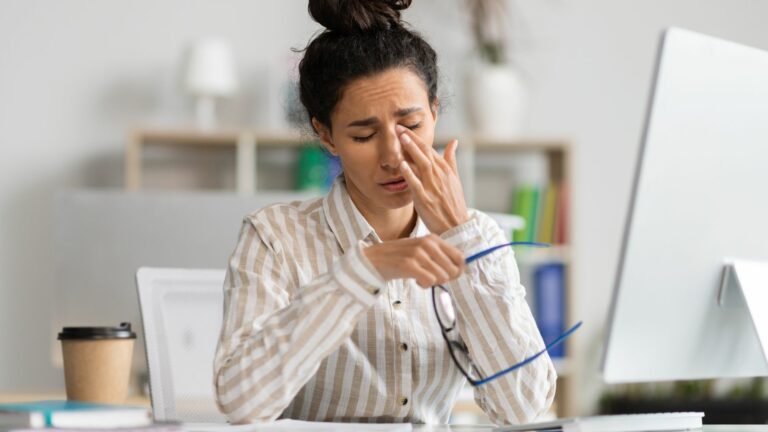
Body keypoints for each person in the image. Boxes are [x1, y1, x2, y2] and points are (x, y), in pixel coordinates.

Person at [213, 0, 556, 425]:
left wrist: (460, 237)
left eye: (411, 126)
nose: (394, 157)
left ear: (434, 112)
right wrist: (363, 270)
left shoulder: (479, 236)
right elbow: (239, 403)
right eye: (363, 134)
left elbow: (524, 409)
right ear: (327, 136)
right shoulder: (275, 237)